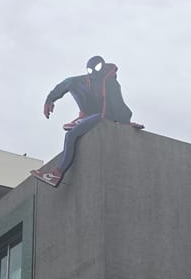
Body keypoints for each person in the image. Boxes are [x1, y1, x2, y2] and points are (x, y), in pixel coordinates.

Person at [31, 55, 143, 187]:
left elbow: (118, 103)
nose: (94, 72)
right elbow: (66, 83)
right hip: (91, 112)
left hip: (105, 115)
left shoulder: (110, 82)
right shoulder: (84, 80)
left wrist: (125, 121)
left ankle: (57, 174)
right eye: (90, 70)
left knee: (71, 135)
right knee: (72, 83)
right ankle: (83, 117)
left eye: (97, 68)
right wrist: (50, 99)